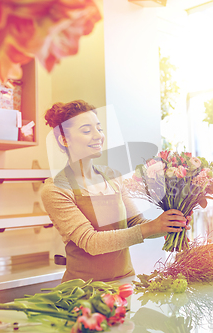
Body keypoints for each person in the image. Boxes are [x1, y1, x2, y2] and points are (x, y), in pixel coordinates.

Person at [41, 100, 189, 282]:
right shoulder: (56, 188)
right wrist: (151, 227)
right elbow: (91, 242)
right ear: (64, 139)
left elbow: (136, 222)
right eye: (87, 131)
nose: (98, 136)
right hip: (84, 291)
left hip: (125, 283)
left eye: (99, 129)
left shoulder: (112, 176)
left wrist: (169, 223)